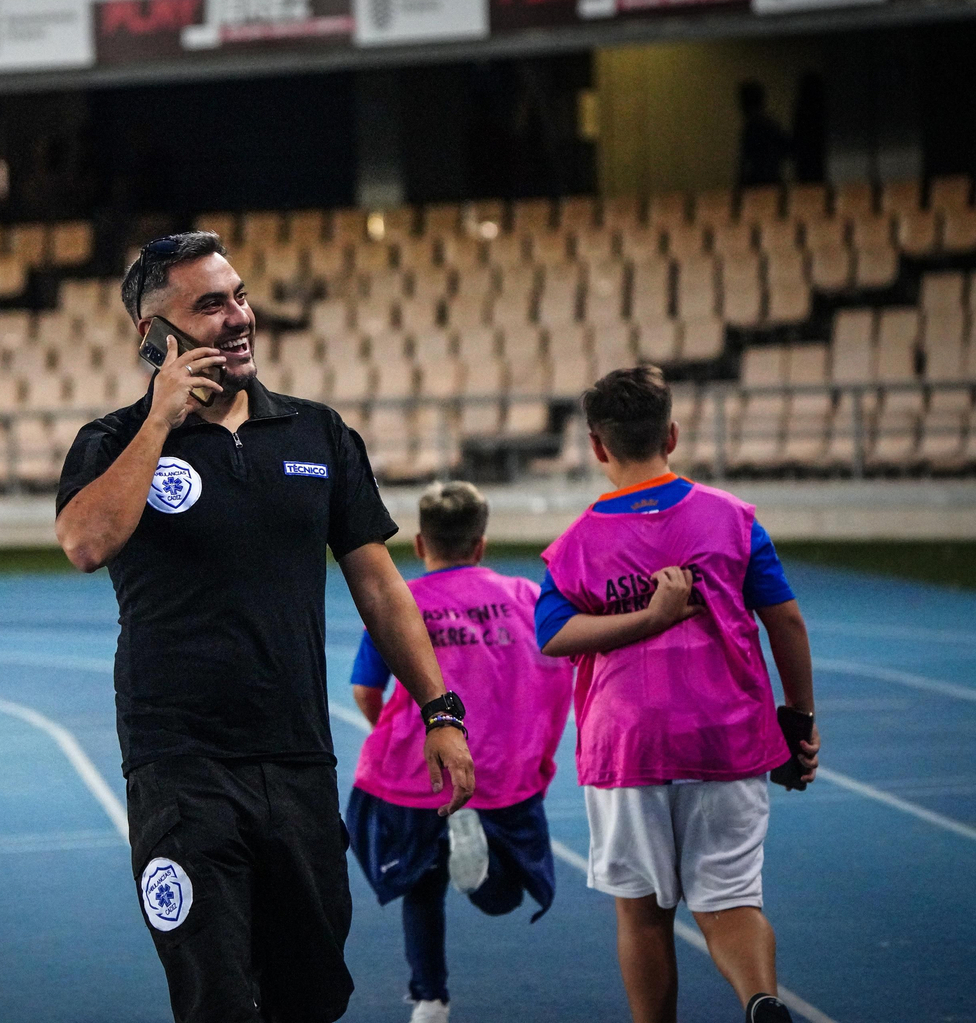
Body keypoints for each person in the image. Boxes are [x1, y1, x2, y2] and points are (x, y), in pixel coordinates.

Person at [54, 231, 475, 1023]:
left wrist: (439, 711)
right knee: (216, 999)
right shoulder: (112, 443)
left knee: (312, 995)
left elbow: (380, 588)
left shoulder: (316, 433)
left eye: (240, 296)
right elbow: (85, 543)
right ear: (154, 337)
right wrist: (159, 422)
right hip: (180, 770)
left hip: (298, 762)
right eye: (210, 305)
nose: (239, 317)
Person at [535, 366, 820, 1023]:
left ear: (598, 446)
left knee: (641, 917)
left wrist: (644, 621)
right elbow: (787, 622)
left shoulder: (575, 543)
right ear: (672, 434)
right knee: (730, 902)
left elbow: (554, 635)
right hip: (727, 736)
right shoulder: (732, 520)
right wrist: (799, 719)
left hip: (627, 745)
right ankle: (758, 998)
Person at [345, 481, 573, 1023]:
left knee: (421, 888)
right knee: (504, 896)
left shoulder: (403, 601)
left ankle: (430, 998)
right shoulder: (524, 596)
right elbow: (556, 666)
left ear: (421, 544)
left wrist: (395, 733)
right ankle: (482, 879)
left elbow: (364, 690)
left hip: (419, 773)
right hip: (501, 770)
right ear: (481, 544)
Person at [736, 80, 793, 189]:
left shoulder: (753, 127)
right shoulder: (772, 125)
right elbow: (789, 150)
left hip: (759, 182)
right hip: (772, 180)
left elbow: (745, 160)